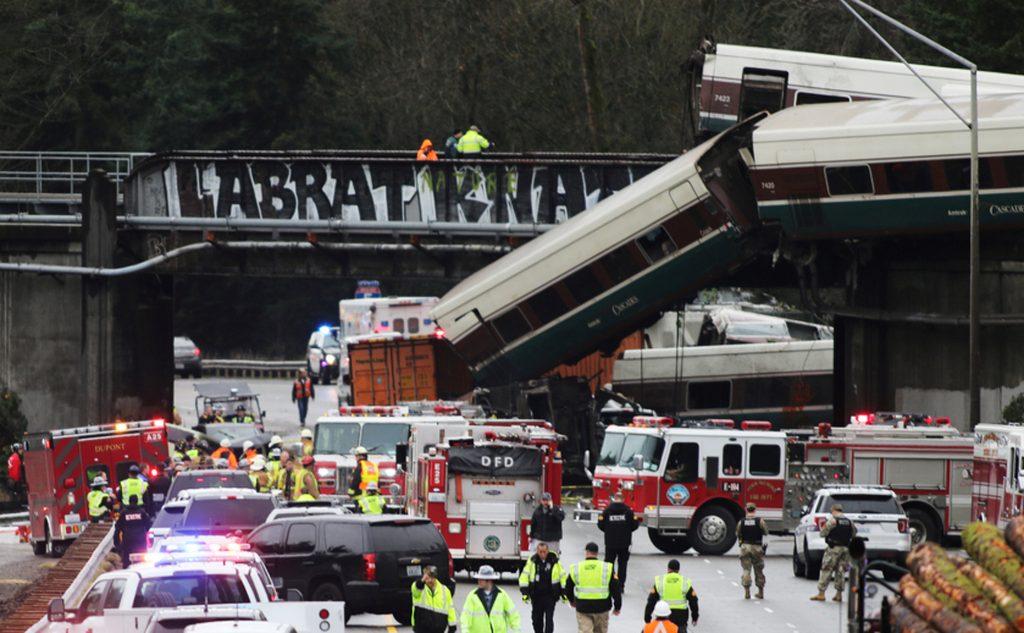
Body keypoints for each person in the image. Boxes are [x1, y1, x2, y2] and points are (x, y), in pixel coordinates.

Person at [563, 542, 621, 633]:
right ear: (597, 553)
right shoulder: (607, 568)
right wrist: (617, 606)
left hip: (583, 607)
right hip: (602, 607)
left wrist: (572, 601)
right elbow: (616, 588)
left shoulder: (577, 568)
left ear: (586, 552)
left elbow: (568, 587)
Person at [811, 504, 856, 602]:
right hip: (845, 549)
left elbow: (822, 533)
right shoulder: (849, 522)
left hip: (834, 549)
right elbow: (854, 533)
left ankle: (821, 594)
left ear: (833, 510)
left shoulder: (832, 521)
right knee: (841, 571)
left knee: (826, 569)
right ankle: (838, 595)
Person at [460, 565, 520, 633]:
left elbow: (513, 614)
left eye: (481, 579)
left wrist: (516, 630)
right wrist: (465, 630)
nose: (478, 581)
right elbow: (465, 616)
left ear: (489, 580)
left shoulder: (502, 595)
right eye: (478, 579)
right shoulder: (472, 596)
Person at [519, 541, 563, 633]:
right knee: (536, 620)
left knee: (549, 619)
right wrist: (525, 593)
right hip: (536, 596)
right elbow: (524, 576)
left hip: (550, 596)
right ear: (537, 552)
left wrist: (564, 592)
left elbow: (562, 576)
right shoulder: (533, 561)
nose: (542, 554)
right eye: (540, 552)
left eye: (544, 552)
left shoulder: (554, 561)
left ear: (547, 551)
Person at [597, 491, 639, 589]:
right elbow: (635, 524)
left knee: (609, 564)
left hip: (610, 542)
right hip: (624, 543)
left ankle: (611, 583)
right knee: (623, 564)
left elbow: (600, 524)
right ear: (623, 499)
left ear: (614, 499)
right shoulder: (628, 511)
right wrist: (627, 531)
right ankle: (620, 585)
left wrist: (608, 531)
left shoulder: (607, 511)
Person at [644, 559, 698, 632]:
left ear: (668, 569)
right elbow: (693, 601)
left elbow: (651, 601)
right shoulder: (684, 581)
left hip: (664, 613)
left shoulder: (660, 581)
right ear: (678, 570)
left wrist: (647, 617)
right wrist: (695, 617)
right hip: (681, 616)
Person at [411, 565, 457, 633]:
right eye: (427, 577)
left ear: (435, 577)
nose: (430, 580)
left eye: (432, 577)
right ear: (424, 577)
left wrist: (452, 626)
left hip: (438, 630)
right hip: (421, 629)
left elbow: (450, 608)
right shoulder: (419, 588)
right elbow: (415, 590)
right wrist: (422, 581)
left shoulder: (444, 590)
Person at [737, 502, 768, 599]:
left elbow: (738, 534)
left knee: (746, 569)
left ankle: (747, 591)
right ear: (755, 510)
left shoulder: (741, 522)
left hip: (745, 547)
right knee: (758, 569)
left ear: (746, 510)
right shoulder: (760, 521)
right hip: (757, 547)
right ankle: (760, 592)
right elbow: (766, 532)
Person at [114, 494, 151, 569]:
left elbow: (118, 528)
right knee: (142, 559)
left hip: (127, 540)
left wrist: (117, 544)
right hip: (140, 540)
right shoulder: (142, 512)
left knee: (127, 560)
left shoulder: (123, 513)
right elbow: (148, 526)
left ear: (129, 501)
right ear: (137, 501)